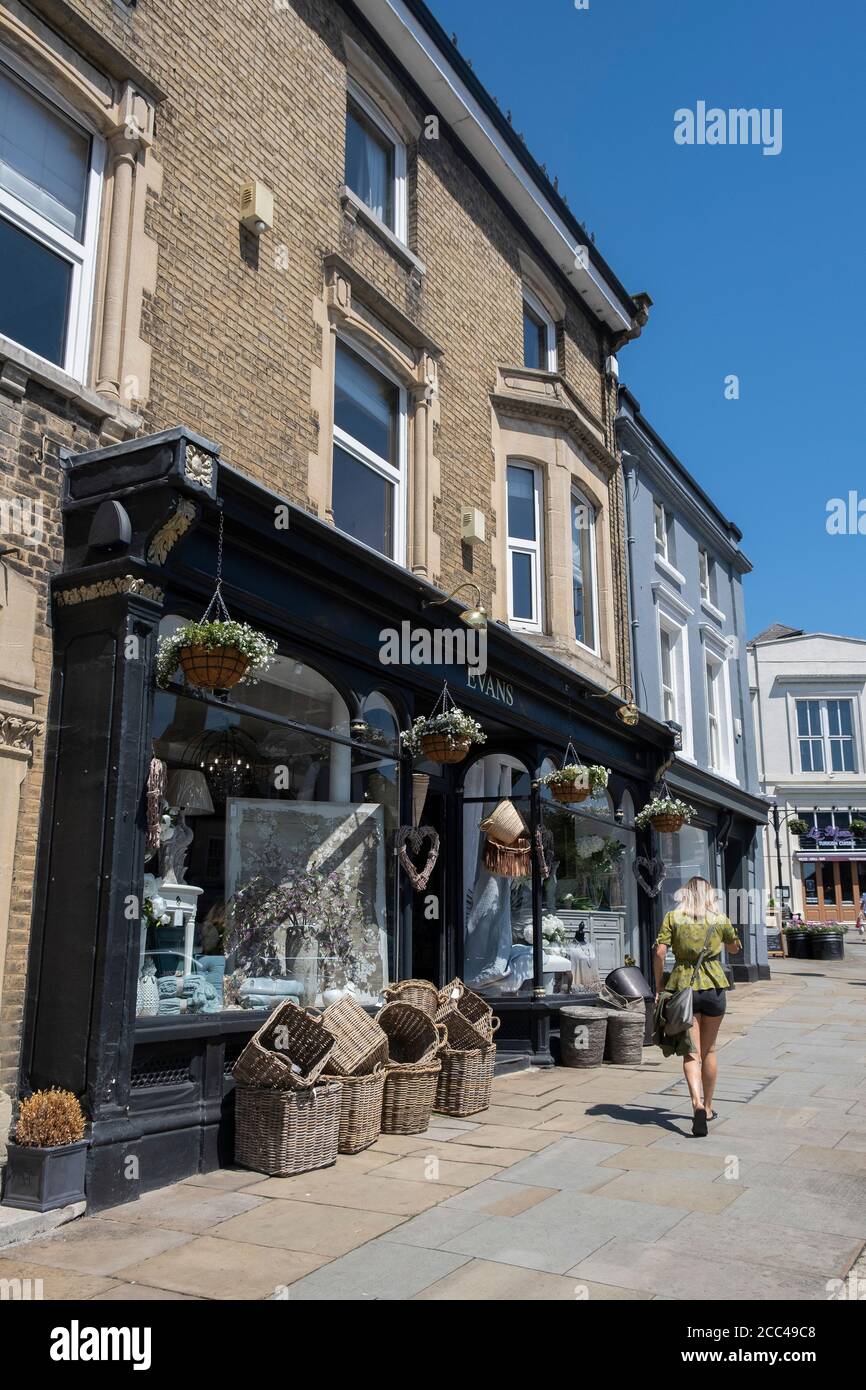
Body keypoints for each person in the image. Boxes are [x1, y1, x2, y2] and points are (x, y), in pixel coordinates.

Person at [653, 876, 742, 1137]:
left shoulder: (673, 917)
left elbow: (659, 952)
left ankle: (696, 1104)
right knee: (710, 1050)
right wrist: (730, 942)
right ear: (709, 895)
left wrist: (659, 986)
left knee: (691, 1053)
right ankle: (710, 1107)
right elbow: (735, 948)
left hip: (683, 989)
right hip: (713, 988)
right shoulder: (719, 918)